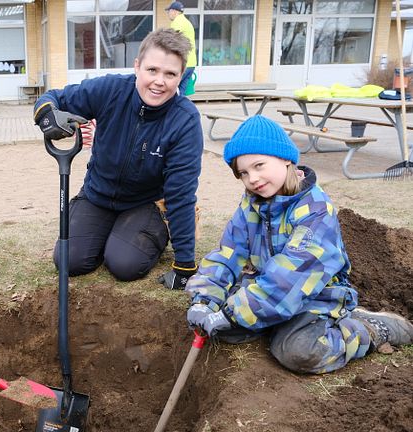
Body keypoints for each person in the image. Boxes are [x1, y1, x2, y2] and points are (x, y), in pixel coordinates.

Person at [185, 115, 413, 374]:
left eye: (259, 165)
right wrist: (204, 301)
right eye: (244, 173)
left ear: (286, 159)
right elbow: (227, 254)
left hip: (315, 296)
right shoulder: (252, 204)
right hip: (271, 290)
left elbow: (290, 278)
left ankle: (369, 328)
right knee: (222, 329)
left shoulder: (315, 210)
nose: (253, 178)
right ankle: (270, 320)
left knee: (298, 351)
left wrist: (232, 313)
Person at [33, 28, 202, 287]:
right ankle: (108, 233)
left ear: (181, 77)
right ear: (137, 66)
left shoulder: (185, 120)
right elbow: (53, 98)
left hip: (144, 203)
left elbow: (181, 194)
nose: (160, 81)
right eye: (152, 70)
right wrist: (47, 116)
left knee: (125, 265)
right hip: (97, 196)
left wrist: (185, 265)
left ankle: (136, 235)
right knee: (69, 261)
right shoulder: (111, 89)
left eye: (171, 74)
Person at [167, 2, 197, 96]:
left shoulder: (178, 22)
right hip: (191, 63)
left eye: (169, 11)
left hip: (183, 64)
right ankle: (181, 109)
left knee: (170, 88)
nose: (168, 14)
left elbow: (171, 40)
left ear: (174, 11)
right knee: (182, 92)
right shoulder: (186, 22)